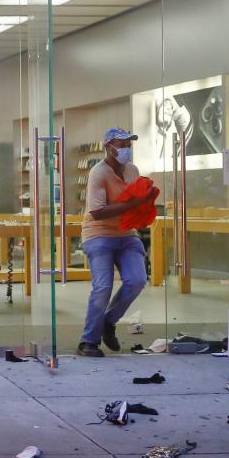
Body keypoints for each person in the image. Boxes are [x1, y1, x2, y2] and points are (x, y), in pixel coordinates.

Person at [78, 128, 156, 358]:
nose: (126, 149)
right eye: (121, 144)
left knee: (137, 279)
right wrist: (135, 204)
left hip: (126, 233)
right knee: (102, 287)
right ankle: (88, 341)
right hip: (98, 234)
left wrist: (146, 201)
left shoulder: (132, 170)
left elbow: (136, 200)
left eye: (128, 144)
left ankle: (108, 322)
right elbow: (97, 212)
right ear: (108, 147)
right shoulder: (97, 173)